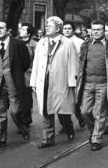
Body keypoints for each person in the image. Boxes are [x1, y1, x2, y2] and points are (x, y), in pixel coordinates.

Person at [30, 16, 78, 148]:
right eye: (46, 25)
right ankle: (48, 139)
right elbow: (36, 63)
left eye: (49, 26)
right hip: (43, 81)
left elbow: (72, 63)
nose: (46, 27)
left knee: (62, 110)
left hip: (60, 81)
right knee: (46, 109)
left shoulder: (67, 43)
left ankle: (68, 127)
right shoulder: (41, 43)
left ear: (58, 28)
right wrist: (33, 82)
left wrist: (72, 83)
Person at [76, 20, 108, 151]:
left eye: (99, 29)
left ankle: (96, 138)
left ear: (103, 31)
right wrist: (78, 76)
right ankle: (93, 132)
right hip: (87, 84)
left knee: (99, 112)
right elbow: (80, 62)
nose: (95, 32)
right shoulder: (85, 45)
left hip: (103, 84)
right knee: (85, 111)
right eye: (93, 29)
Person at [0, 21, 31, 148]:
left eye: (2, 28)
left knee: (15, 111)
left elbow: (26, 62)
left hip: (13, 83)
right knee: (0, 112)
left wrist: (16, 74)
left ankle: (22, 127)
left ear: (8, 30)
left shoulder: (18, 44)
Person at [62, 21, 86, 128]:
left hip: (75, 74)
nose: (66, 31)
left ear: (73, 30)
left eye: (69, 28)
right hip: (62, 74)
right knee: (63, 100)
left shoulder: (79, 42)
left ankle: (79, 116)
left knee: (74, 99)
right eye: (65, 29)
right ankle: (66, 124)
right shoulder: (60, 41)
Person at [18, 23, 37, 127]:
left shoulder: (34, 44)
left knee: (26, 99)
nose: (20, 30)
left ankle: (26, 119)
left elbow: (36, 61)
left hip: (28, 75)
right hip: (17, 75)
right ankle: (20, 118)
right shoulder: (16, 42)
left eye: (23, 29)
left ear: (29, 33)